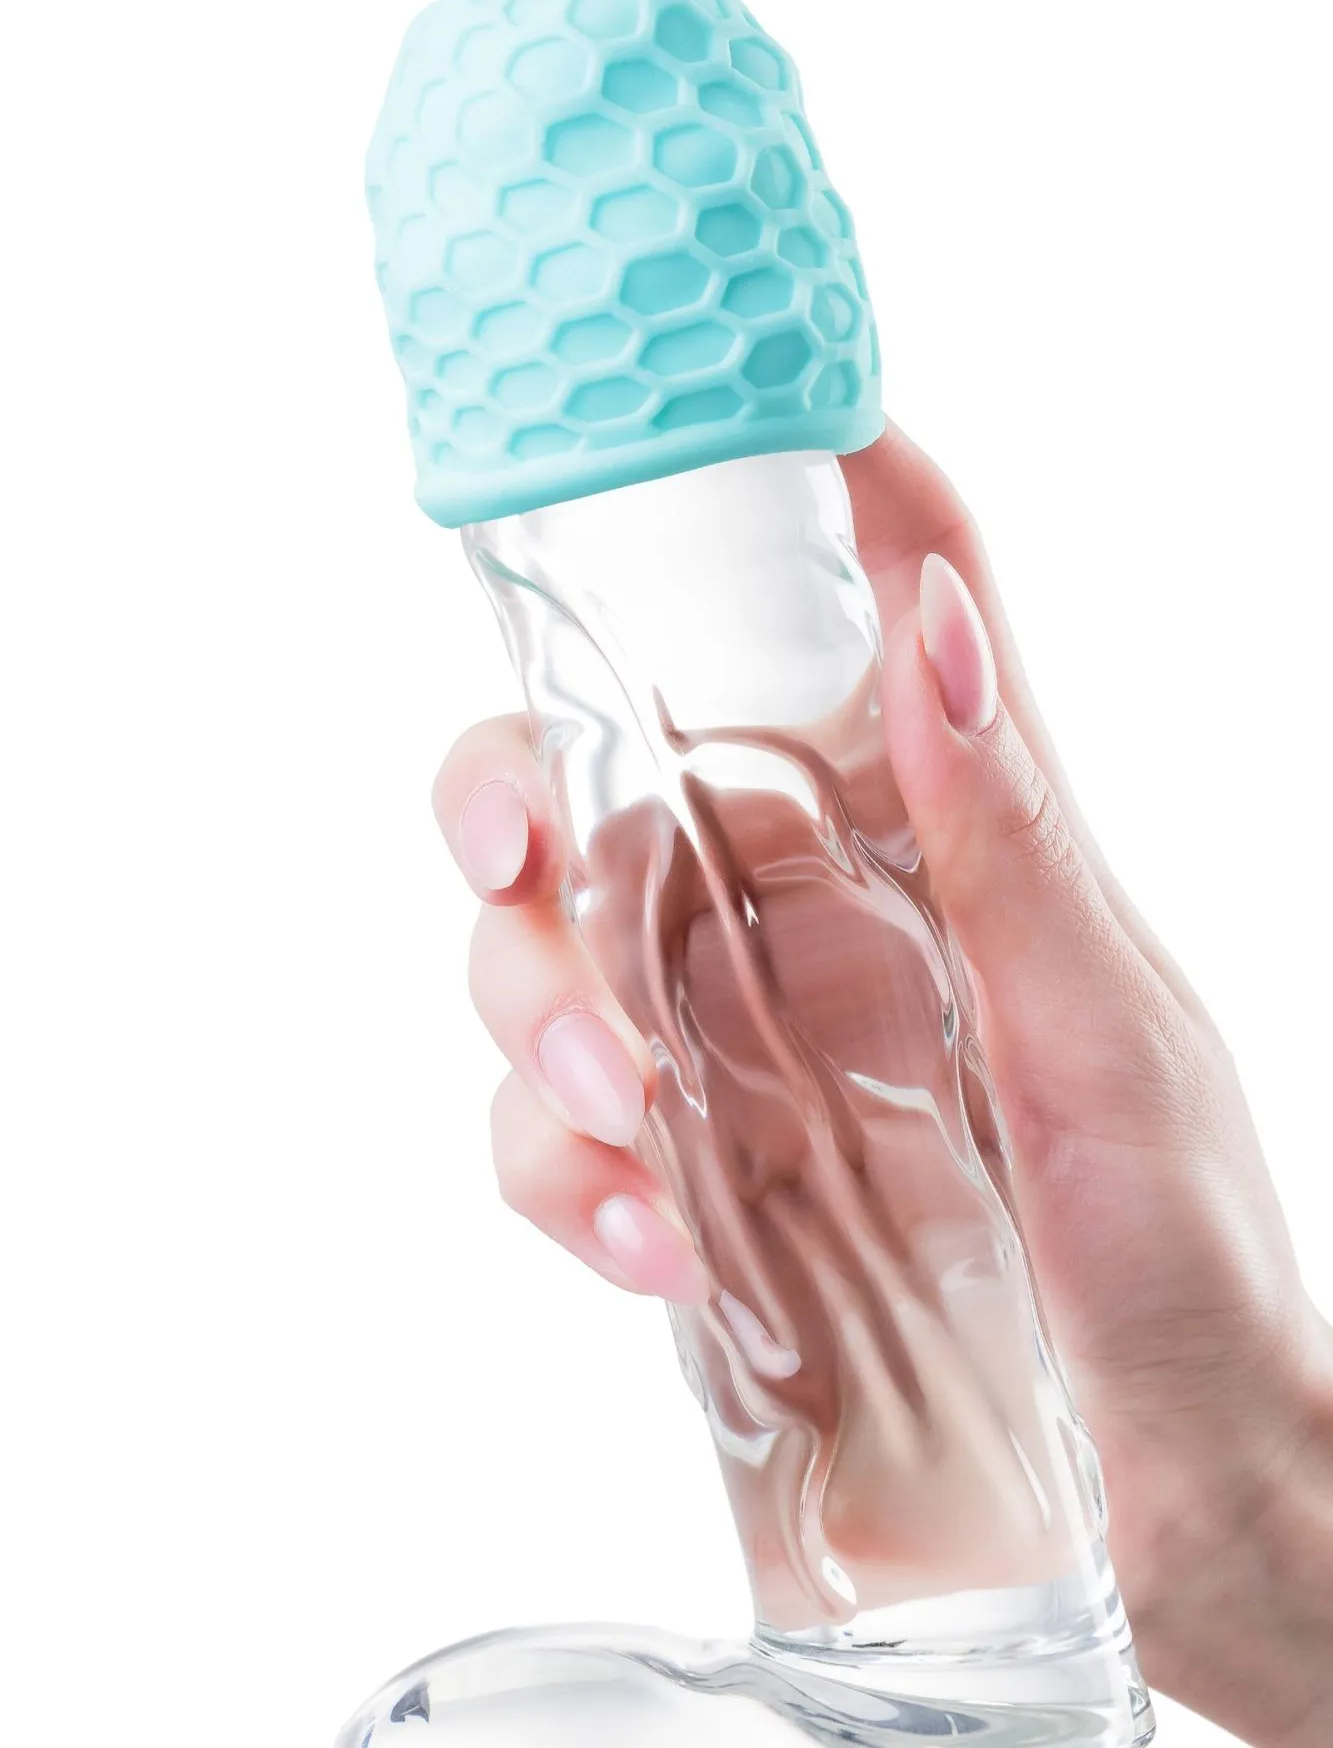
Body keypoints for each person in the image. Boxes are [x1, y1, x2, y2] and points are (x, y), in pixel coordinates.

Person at [432, 425, 1333, 1748]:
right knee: (645, 948)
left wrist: (1245, 1504)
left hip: (1012, 1652)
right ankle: (962, 1645)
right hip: (1028, 1647)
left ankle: (962, 1649)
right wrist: (1245, 1506)